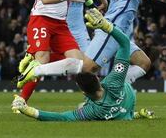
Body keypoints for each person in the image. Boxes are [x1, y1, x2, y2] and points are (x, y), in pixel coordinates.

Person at [17, 0, 162, 88]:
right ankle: (36, 70)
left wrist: (104, 3)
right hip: (112, 29)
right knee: (86, 68)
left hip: (120, 33)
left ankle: (110, 92)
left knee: (144, 63)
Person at [12, 8, 155, 121]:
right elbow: (124, 43)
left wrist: (29, 111)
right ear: (98, 79)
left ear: (84, 92)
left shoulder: (91, 111)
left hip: (119, 112)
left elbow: (62, 117)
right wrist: (106, 26)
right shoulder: (115, 82)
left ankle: (37, 68)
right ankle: (133, 114)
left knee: (85, 108)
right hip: (127, 105)